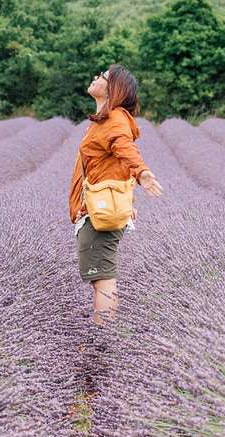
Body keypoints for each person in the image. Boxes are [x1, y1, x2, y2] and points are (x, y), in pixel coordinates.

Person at [69, 65, 162, 325]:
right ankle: (103, 337)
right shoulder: (106, 119)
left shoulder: (115, 120)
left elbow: (124, 147)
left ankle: (102, 342)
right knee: (100, 276)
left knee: (103, 278)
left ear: (114, 89)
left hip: (101, 210)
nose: (96, 77)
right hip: (98, 206)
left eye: (103, 76)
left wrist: (141, 172)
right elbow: (112, 164)